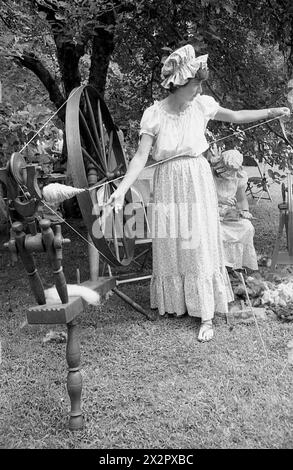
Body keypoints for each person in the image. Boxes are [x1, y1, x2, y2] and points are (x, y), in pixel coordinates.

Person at [106, 44, 290, 342]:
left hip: (196, 177)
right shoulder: (153, 115)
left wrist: (271, 110)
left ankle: (206, 313)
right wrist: (121, 190)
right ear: (178, 84)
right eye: (194, 83)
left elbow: (236, 116)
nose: (199, 88)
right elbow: (140, 157)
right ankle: (177, 303)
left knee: (199, 242)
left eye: (200, 83)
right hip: (168, 182)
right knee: (174, 240)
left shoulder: (202, 105)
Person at [211, 148, 258, 272]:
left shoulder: (239, 176)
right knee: (217, 232)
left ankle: (236, 265)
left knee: (247, 227)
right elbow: (200, 200)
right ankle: (219, 267)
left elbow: (242, 200)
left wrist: (245, 211)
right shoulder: (209, 176)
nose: (230, 175)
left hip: (228, 215)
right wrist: (219, 201)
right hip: (211, 214)